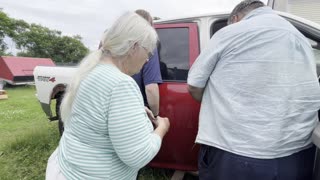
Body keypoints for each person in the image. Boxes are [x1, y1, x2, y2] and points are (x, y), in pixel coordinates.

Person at [187, 0, 320, 179]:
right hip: (297, 155)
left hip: (238, 152)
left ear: (235, 18)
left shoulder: (231, 32)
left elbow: (195, 84)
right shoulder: (300, 38)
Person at [46, 12, 170, 180]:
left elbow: (98, 113)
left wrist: (137, 111)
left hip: (70, 170)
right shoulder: (121, 83)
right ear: (134, 47)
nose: (148, 59)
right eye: (148, 52)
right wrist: (161, 129)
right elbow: (138, 156)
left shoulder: (91, 70)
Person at [132, 9, 162, 117]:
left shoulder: (114, 45)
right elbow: (151, 88)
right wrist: (155, 116)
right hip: (138, 113)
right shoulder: (148, 45)